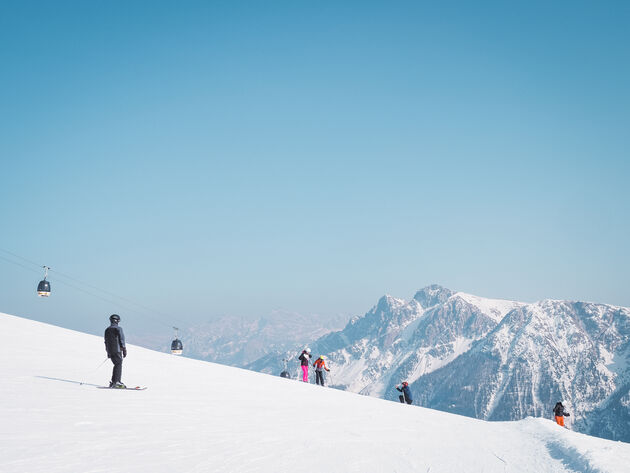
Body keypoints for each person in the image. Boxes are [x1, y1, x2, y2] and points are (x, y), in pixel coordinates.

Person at [104, 314, 127, 388]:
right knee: (118, 364)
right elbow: (121, 339)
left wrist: (108, 352)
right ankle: (116, 382)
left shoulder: (107, 330)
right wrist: (124, 349)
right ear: (117, 321)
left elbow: (106, 341)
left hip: (110, 350)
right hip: (117, 350)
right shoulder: (118, 329)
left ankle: (113, 382)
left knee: (116, 364)